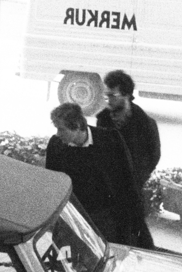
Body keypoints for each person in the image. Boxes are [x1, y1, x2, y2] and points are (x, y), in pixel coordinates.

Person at [44, 101, 143, 245]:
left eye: (61, 129)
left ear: (77, 126)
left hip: (105, 218)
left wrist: (134, 222)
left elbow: (128, 180)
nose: (58, 134)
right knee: (64, 259)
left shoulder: (111, 140)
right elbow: (52, 182)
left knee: (102, 259)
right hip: (72, 216)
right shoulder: (55, 145)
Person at [93, 69, 159, 248]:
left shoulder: (145, 123)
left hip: (132, 190)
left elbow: (153, 155)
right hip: (108, 191)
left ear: (127, 95)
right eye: (106, 95)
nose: (108, 100)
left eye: (112, 95)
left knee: (137, 236)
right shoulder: (103, 120)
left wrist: (136, 178)